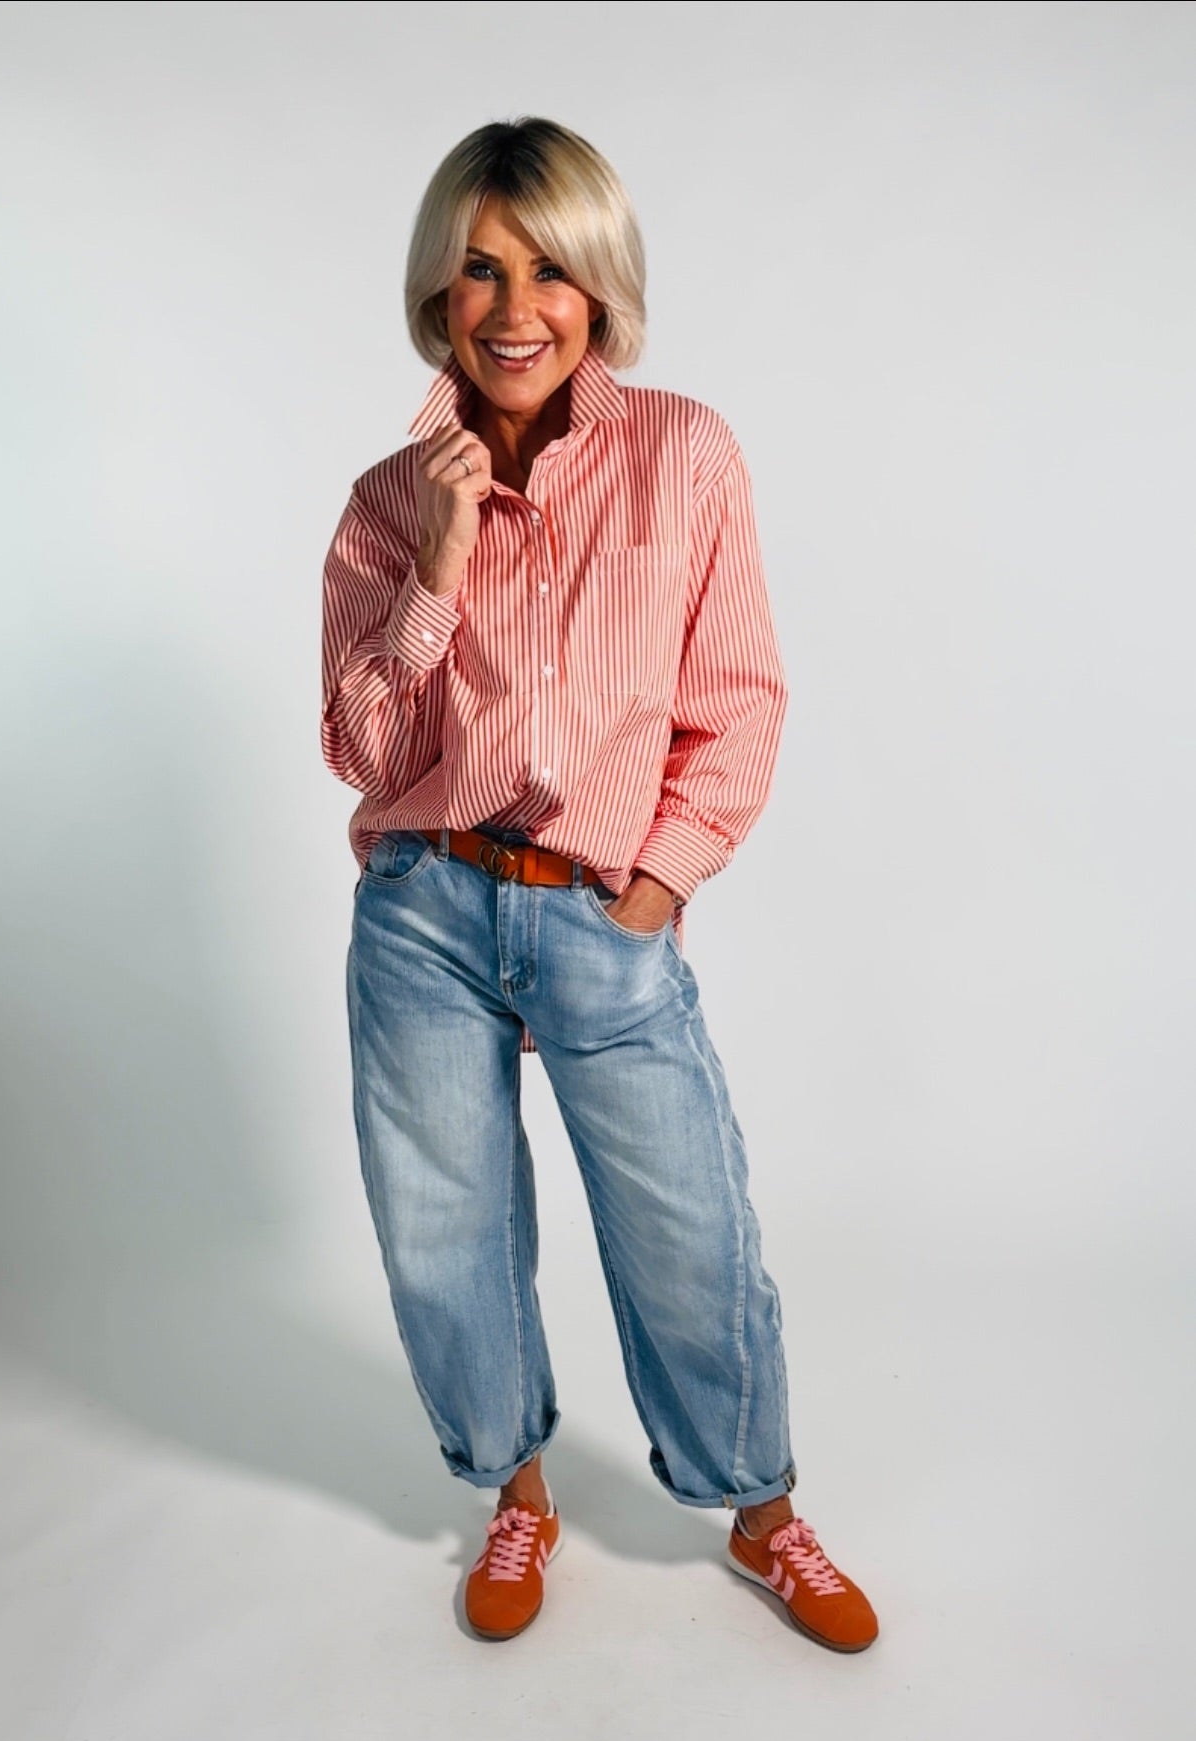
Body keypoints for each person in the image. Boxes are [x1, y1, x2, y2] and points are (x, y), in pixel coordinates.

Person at [321, 117, 878, 1653]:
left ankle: (760, 1510)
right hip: (424, 911)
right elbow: (360, 748)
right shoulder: (386, 499)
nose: (516, 308)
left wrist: (658, 884)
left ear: (598, 287)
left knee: (688, 1230)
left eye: (550, 270)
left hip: (599, 912)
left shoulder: (683, 454)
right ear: (435, 293)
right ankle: (514, 1493)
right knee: (447, 1237)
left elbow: (738, 699)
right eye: (480, 270)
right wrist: (436, 566)